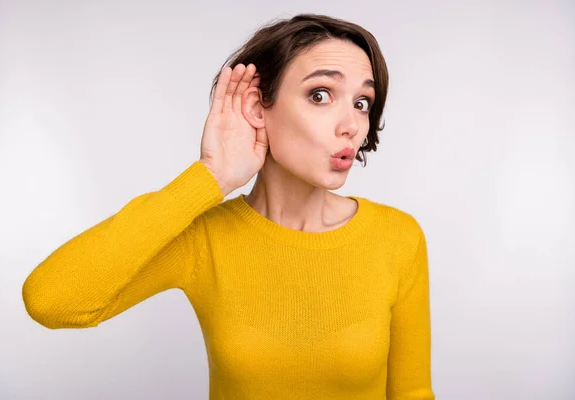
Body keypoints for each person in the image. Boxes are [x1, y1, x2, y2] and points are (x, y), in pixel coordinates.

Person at [22, 13, 435, 399]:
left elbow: (413, 393)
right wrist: (209, 178)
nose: (352, 125)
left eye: (362, 102)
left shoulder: (397, 237)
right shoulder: (204, 238)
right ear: (257, 107)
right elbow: (51, 300)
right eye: (321, 94)